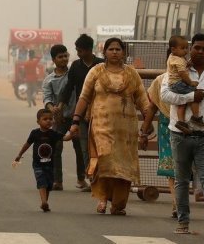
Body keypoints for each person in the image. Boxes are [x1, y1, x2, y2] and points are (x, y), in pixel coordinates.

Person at [68, 37, 151, 215]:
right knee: (103, 161)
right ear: (104, 52)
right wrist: (75, 121)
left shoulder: (131, 74)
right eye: (111, 49)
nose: (114, 52)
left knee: (122, 166)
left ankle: (118, 205)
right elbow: (83, 97)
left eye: (118, 49)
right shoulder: (96, 72)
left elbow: (143, 100)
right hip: (101, 126)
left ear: (124, 53)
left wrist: (147, 121)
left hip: (126, 130)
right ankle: (102, 199)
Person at [160, 33, 204, 236]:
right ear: (190, 48)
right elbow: (165, 94)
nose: (200, 51)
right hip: (179, 134)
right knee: (181, 180)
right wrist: (191, 96)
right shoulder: (176, 68)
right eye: (196, 47)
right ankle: (183, 222)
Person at [57, 34, 104, 192]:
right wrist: (61, 105)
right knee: (85, 148)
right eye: (77, 50)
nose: (78, 53)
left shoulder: (101, 65)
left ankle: (103, 178)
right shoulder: (76, 66)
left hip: (101, 113)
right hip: (82, 114)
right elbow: (69, 87)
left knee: (101, 147)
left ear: (89, 50)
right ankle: (91, 178)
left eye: (80, 50)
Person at [42, 44, 87, 191]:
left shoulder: (74, 74)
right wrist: (53, 109)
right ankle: (57, 181)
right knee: (55, 147)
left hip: (76, 117)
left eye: (66, 56)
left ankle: (82, 179)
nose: (64, 59)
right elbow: (47, 99)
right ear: (54, 59)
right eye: (60, 57)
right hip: (59, 118)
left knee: (80, 148)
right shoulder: (49, 80)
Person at [13, 108, 73, 212]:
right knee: (41, 181)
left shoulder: (53, 134)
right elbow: (27, 145)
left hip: (50, 165)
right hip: (38, 164)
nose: (48, 121)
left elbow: (65, 138)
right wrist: (19, 155)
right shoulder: (35, 133)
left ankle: (45, 202)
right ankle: (44, 202)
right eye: (45, 119)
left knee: (49, 184)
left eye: (50, 119)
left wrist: (72, 134)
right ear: (38, 121)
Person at [139, 69, 176, 219]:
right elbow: (153, 107)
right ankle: (176, 203)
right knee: (172, 167)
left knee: (186, 167)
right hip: (167, 127)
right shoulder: (161, 81)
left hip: (191, 129)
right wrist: (144, 132)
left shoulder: (193, 79)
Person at [166, 36, 202, 134]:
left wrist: (187, 64)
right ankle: (195, 117)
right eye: (183, 48)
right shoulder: (178, 59)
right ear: (173, 49)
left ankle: (180, 122)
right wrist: (191, 83)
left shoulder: (174, 57)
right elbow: (182, 74)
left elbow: (182, 67)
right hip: (178, 84)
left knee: (182, 103)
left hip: (174, 84)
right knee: (194, 95)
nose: (186, 51)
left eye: (187, 48)